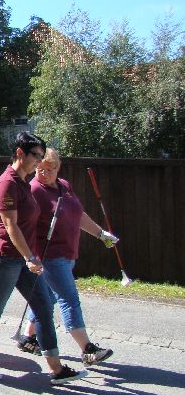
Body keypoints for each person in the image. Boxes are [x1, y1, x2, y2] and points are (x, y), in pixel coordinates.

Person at [0, 132, 88, 385]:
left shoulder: (23, 181)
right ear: (20, 153)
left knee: (44, 307)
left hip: (23, 260)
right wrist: (30, 257)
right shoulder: (7, 184)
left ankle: (56, 369)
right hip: (4, 259)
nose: (39, 161)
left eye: (42, 156)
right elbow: (10, 226)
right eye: (36, 156)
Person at [17, 147, 117, 366]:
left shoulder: (64, 186)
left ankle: (28, 337)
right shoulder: (34, 190)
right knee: (69, 299)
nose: (44, 173)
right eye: (40, 168)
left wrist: (101, 234)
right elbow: (23, 225)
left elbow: (78, 215)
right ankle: (87, 349)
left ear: (58, 168)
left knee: (47, 297)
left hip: (68, 253)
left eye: (49, 169)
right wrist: (29, 255)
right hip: (50, 256)